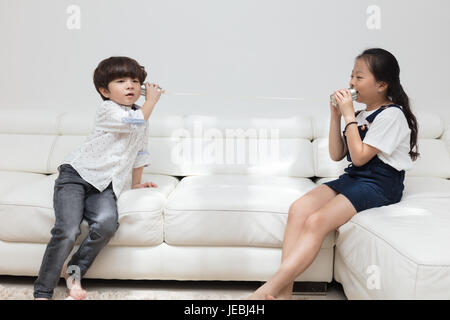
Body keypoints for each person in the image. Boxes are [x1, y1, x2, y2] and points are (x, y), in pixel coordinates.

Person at [248, 48, 420, 300]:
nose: (351, 83)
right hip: (356, 178)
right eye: (351, 76)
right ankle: (283, 294)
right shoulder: (361, 114)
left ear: (382, 84)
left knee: (317, 221)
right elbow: (337, 153)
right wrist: (336, 115)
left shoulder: (392, 115)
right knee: (299, 208)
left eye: (359, 77)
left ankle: (269, 289)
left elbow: (360, 156)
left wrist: (349, 114)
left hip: (381, 183)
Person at [33, 56, 164, 300]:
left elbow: (140, 152)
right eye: (121, 81)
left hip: (105, 184)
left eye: (135, 81)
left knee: (106, 225)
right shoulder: (108, 110)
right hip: (76, 175)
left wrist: (136, 183)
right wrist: (152, 101)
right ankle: (43, 291)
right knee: (68, 230)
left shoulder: (141, 116)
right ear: (105, 90)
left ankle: (73, 272)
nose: (130, 86)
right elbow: (132, 123)